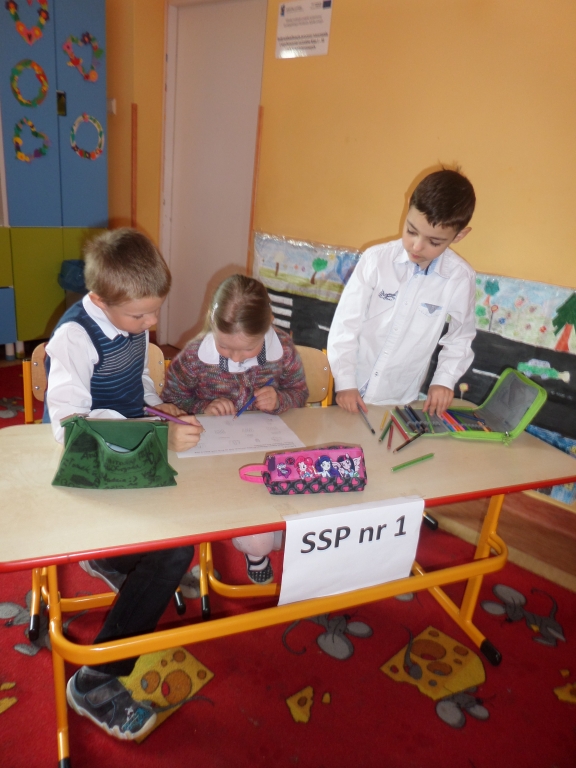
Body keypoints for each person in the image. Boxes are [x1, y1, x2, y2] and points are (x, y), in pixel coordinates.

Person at [44, 228, 204, 741]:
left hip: (131, 453)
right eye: (141, 317)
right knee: (175, 550)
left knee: (190, 518)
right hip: (90, 468)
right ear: (98, 299)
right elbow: (71, 429)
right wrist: (152, 433)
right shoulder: (74, 337)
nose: (151, 324)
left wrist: (158, 407)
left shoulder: (129, 319)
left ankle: (116, 563)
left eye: (155, 312)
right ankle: (95, 681)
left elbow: (137, 380)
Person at [162, 274, 309, 584]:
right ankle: (255, 551)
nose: (236, 357)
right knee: (259, 538)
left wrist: (280, 399)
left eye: (247, 349)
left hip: (268, 448)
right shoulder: (194, 356)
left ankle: (261, 534)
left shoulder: (282, 347)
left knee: (296, 511)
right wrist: (203, 408)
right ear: (212, 322)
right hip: (215, 461)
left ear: (268, 325)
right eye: (225, 347)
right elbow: (171, 401)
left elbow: (299, 392)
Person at [327, 168, 477, 416]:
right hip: (351, 390)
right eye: (411, 231)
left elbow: (460, 337)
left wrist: (444, 380)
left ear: (459, 235)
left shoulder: (460, 278)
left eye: (434, 242)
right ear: (408, 207)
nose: (417, 246)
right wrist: (345, 383)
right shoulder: (376, 260)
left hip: (400, 398)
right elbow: (346, 325)